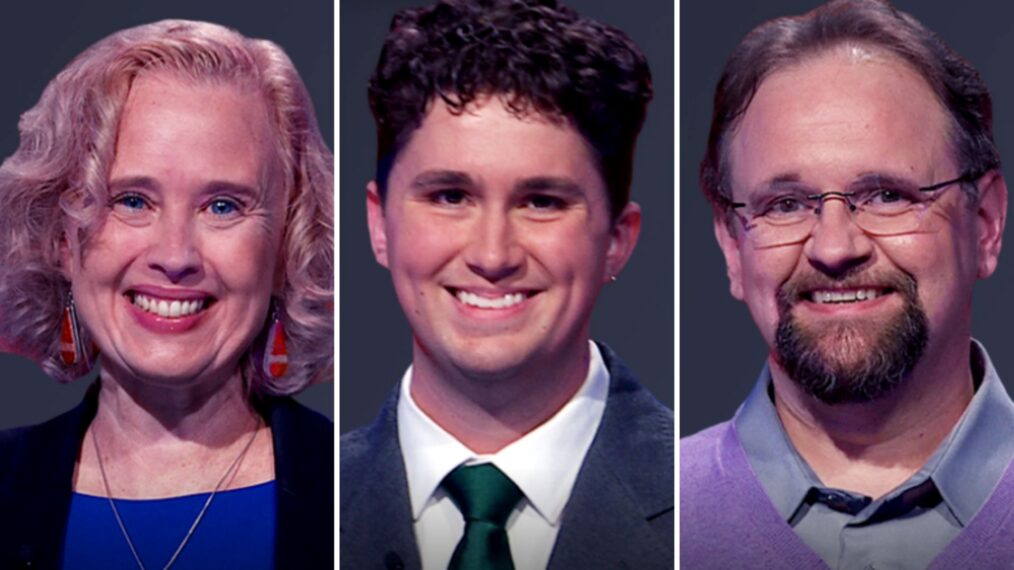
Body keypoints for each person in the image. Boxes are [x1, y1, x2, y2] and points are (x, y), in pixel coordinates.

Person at [339, 1, 673, 568]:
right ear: (379, 224)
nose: (492, 255)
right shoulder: (305, 508)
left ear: (617, 239)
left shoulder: (700, 511)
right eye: (450, 197)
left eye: (541, 202)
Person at [682, 1, 1014, 568]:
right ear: (732, 245)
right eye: (785, 204)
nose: (835, 248)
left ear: (983, 224)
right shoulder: (664, 518)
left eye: (888, 195)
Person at [0, 20, 333, 569]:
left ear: (285, 250)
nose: (175, 255)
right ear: (63, 237)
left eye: (223, 206)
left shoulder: (352, 501)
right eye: (132, 200)